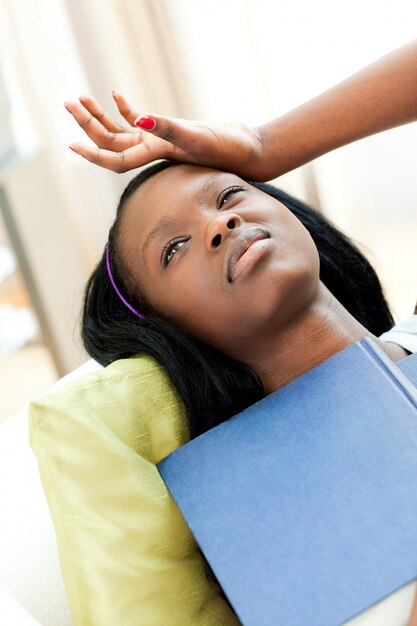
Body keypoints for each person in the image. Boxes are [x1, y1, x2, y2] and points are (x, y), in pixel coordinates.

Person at [65, 40, 417, 622]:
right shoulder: (252, 514)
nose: (222, 223)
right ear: (167, 331)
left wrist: (264, 145)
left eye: (230, 194)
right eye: (174, 249)